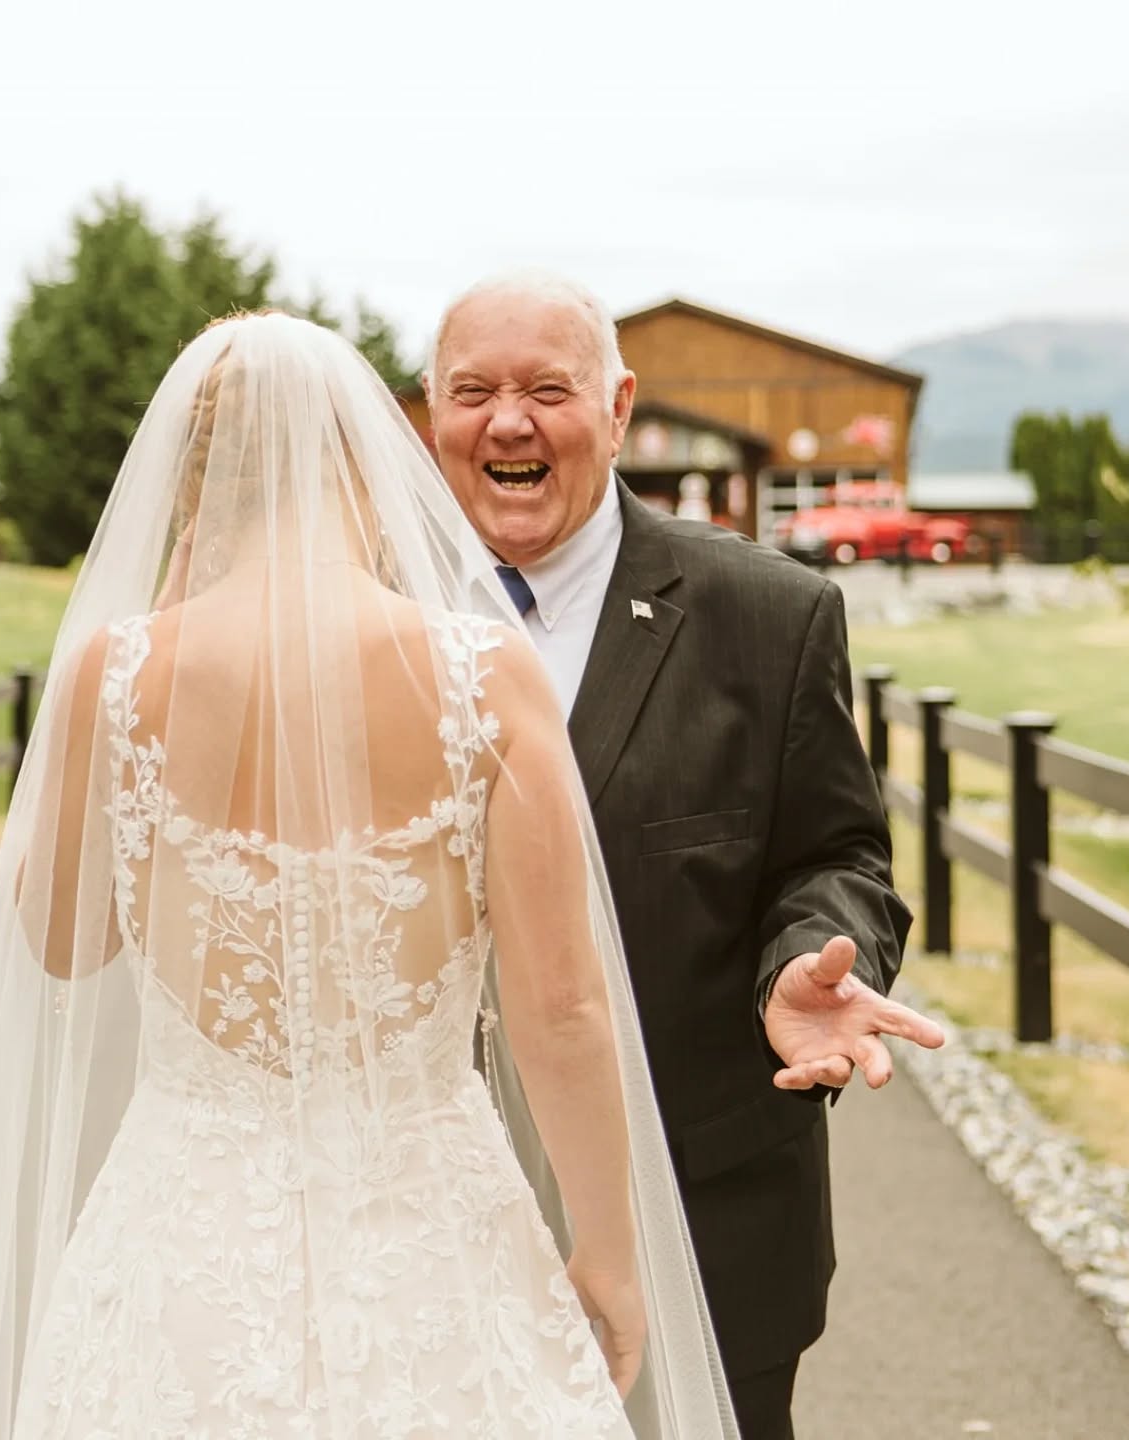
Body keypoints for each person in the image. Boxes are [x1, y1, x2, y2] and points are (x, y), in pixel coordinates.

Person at [0, 311, 743, 1438]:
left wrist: (155, 620)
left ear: (190, 481)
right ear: (365, 462)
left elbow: (62, 944)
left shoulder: (113, 678)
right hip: (429, 1226)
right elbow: (561, 1006)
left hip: (185, 1243)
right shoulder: (481, 674)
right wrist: (607, 1249)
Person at [425, 273, 945, 1440]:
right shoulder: (361, 617)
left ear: (618, 409)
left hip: (705, 1209)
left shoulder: (769, 613)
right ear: (430, 417)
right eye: (474, 392)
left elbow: (839, 855)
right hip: (425, 1224)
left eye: (547, 390)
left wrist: (812, 961)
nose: (508, 422)